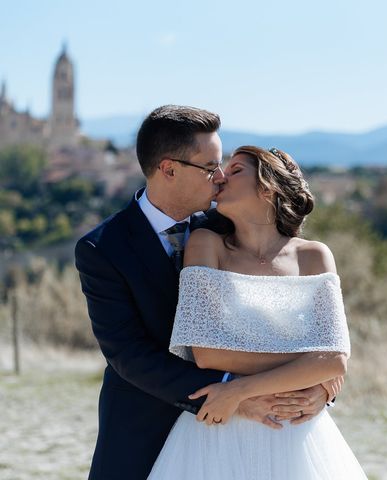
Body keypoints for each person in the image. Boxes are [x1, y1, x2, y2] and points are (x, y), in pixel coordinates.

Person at [75, 106, 335, 480]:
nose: (220, 177)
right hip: (144, 424)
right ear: (169, 169)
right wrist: (233, 393)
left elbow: (301, 306)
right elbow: (128, 354)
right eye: (210, 166)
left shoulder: (234, 220)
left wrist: (323, 385)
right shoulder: (102, 248)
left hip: (250, 435)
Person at [148, 145, 367, 479]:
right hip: (219, 434)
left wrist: (238, 389)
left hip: (295, 432)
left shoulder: (314, 256)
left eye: (236, 170)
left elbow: (335, 360)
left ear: (268, 187)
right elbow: (205, 352)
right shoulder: (207, 245)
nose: (220, 176)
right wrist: (307, 370)